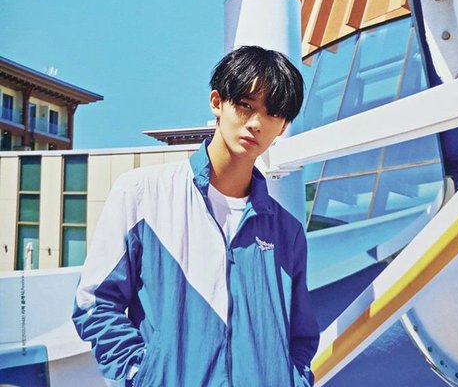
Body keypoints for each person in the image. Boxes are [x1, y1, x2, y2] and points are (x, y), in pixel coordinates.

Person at [73, 45, 319, 387]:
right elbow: (95, 303)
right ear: (217, 102)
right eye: (245, 105)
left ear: (283, 127)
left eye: (273, 113)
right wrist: (141, 377)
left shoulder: (285, 230)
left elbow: (301, 335)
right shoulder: (143, 194)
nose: (256, 123)